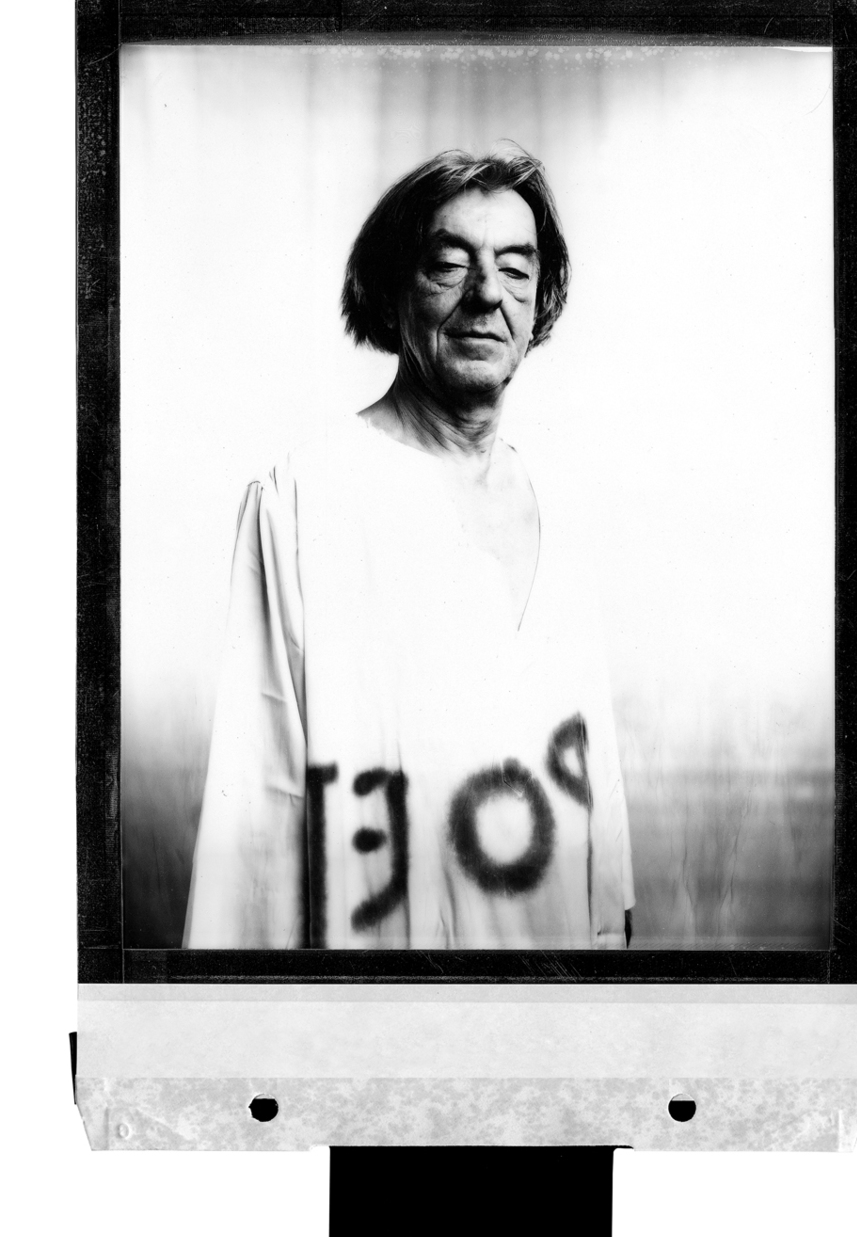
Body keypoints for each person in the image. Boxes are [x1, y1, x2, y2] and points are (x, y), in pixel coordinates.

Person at [183, 142, 634, 950]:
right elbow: (254, 821)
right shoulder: (302, 499)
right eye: (448, 264)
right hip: (377, 1005)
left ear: (540, 303)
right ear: (392, 290)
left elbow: (594, 810)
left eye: (515, 268)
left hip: (552, 1007)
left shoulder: (561, 508)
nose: (486, 293)